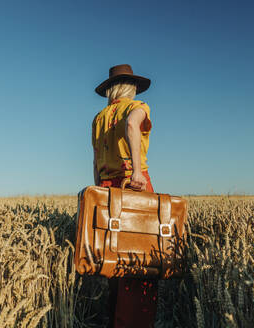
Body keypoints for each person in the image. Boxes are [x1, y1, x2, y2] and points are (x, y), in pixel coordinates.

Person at [92, 64, 158, 328]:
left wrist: (99, 187)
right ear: (130, 88)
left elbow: (95, 157)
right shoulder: (137, 107)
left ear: (110, 90)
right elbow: (132, 125)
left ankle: (113, 319)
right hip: (132, 183)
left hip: (106, 186)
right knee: (142, 259)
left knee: (113, 259)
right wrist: (137, 172)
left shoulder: (99, 118)